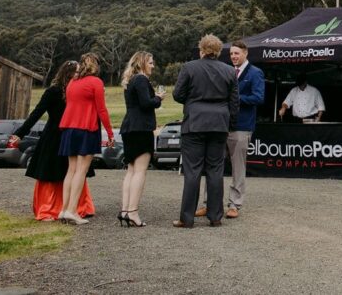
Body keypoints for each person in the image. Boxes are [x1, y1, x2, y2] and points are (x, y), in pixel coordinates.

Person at [10, 60, 95, 221]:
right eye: (76, 72)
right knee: (51, 172)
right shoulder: (53, 91)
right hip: (54, 136)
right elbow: (37, 113)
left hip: (73, 134)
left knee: (76, 171)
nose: (79, 75)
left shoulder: (79, 91)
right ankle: (47, 209)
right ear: (67, 73)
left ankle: (78, 206)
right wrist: (20, 133)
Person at [172, 34, 239, 229]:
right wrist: (230, 125)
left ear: (201, 49)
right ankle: (215, 216)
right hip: (219, 124)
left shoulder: (189, 67)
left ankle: (187, 218)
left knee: (192, 171)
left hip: (195, 123)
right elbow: (235, 103)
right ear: (219, 51)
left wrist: (192, 101)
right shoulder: (229, 71)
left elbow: (177, 94)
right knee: (215, 170)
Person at [196, 40, 264, 220]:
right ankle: (207, 203)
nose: (233, 56)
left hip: (241, 127)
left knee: (238, 168)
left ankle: (234, 204)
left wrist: (235, 99)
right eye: (232, 53)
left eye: (237, 53)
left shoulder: (255, 73)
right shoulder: (225, 71)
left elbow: (258, 97)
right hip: (220, 125)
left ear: (245, 53)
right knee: (213, 165)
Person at [57, 53, 113, 225]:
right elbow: (101, 110)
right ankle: (73, 211)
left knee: (71, 170)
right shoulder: (96, 82)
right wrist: (110, 133)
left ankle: (63, 210)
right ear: (96, 65)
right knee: (81, 171)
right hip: (87, 128)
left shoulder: (72, 82)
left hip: (69, 128)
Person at [118, 51, 163, 228]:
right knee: (140, 171)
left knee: (131, 170)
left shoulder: (130, 80)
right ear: (143, 63)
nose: (153, 66)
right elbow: (146, 103)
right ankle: (133, 212)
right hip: (141, 128)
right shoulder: (142, 80)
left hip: (129, 127)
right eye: (150, 63)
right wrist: (158, 98)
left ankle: (125, 210)